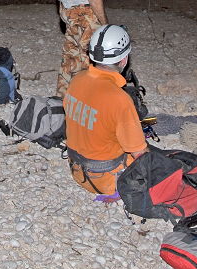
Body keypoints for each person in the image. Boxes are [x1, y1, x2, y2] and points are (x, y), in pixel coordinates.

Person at [63, 24, 147, 195]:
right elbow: (140, 154)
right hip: (106, 179)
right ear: (124, 60)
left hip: (77, 170)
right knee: (157, 158)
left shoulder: (77, 80)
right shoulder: (120, 99)